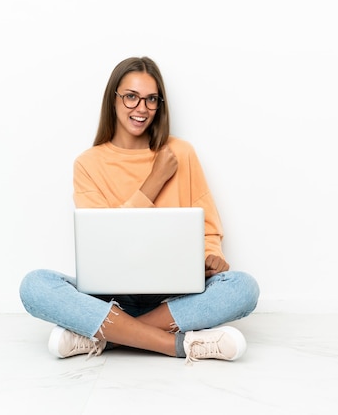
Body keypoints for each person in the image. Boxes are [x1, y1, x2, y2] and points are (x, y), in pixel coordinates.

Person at [19, 56, 260, 364]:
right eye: (131, 97)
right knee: (35, 285)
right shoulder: (89, 163)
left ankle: (103, 337)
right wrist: (156, 179)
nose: (141, 109)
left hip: (174, 298)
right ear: (114, 99)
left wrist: (212, 257)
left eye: (150, 100)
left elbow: (209, 229)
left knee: (243, 288)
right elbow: (105, 242)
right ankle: (177, 344)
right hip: (110, 298)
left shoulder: (181, 153)